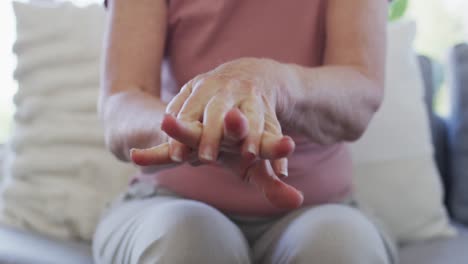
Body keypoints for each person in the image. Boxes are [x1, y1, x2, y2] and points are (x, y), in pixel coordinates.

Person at [93, 0, 397, 263]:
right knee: (186, 242)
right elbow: (123, 102)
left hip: (323, 207)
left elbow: (360, 96)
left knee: (340, 249)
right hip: (168, 200)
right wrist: (196, 131)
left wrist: (274, 85)